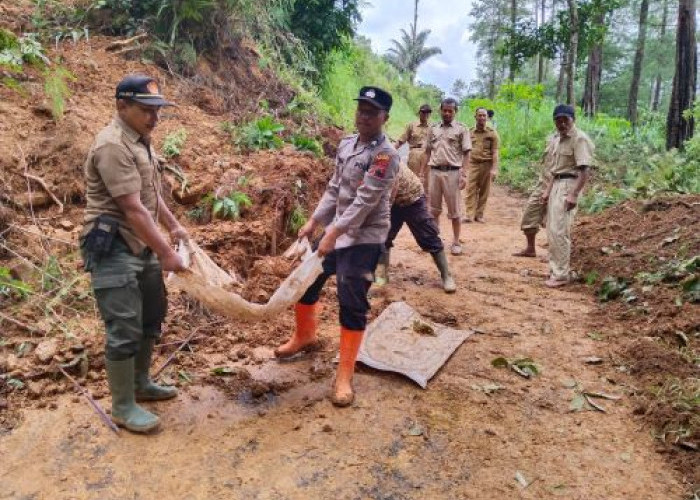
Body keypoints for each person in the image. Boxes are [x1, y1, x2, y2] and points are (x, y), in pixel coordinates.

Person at [274, 86, 400, 407]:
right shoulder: (347, 144)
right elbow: (334, 188)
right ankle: (304, 336)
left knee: (351, 299)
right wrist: (315, 222)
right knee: (307, 280)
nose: (365, 116)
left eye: (373, 112)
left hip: (364, 237)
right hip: (335, 230)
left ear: (385, 117)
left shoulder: (385, 155)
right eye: (361, 110)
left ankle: (344, 375)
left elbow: (366, 200)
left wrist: (334, 231)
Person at [80, 74, 188, 433]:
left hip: (141, 243)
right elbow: (132, 209)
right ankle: (123, 407)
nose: (154, 118)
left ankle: (141, 383)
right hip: (113, 247)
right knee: (124, 325)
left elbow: (150, 196)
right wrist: (167, 253)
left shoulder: (141, 140)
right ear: (121, 106)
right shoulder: (111, 145)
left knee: (151, 315)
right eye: (146, 111)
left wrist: (173, 225)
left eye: (157, 111)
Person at [374, 162, 456, 293]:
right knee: (382, 238)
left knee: (428, 236)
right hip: (393, 202)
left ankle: (447, 276)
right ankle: (381, 277)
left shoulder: (385, 157)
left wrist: (384, 212)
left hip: (412, 198)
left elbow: (392, 187)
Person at [540, 104, 594, 288]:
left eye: (566, 120)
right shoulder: (557, 139)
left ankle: (561, 274)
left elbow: (584, 170)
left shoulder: (579, 139)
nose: (562, 123)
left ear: (573, 120)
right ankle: (555, 269)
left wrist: (573, 194)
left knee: (560, 231)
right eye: (558, 120)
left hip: (568, 185)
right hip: (557, 184)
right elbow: (555, 169)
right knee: (552, 230)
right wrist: (547, 191)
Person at [420, 98, 471, 255]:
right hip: (434, 172)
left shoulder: (462, 129)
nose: (447, 113)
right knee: (433, 209)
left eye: (451, 111)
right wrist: (422, 173)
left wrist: (464, 174)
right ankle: (436, 239)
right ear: (440, 111)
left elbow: (467, 152)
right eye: (445, 110)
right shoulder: (433, 129)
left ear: (455, 112)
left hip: (453, 173)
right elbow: (427, 151)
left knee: (455, 211)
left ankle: (456, 242)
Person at [513, 136, 556, 259]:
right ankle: (530, 248)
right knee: (529, 214)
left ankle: (554, 255)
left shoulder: (573, 140)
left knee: (554, 222)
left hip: (559, 186)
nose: (560, 123)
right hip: (543, 184)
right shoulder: (551, 138)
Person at [464, 108, 500, 223]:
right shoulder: (469, 132)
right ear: (475, 117)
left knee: (484, 191)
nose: (482, 118)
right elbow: (464, 150)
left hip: (487, 164)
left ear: (487, 117)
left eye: (484, 116)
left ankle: (479, 215)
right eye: (479, 115)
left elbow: (495, 152)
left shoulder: (492, 133)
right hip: (473, 164)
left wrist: (494, 169)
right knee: (470, 189)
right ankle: (469, 214)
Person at [395, 104, 432, 191]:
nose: (425, 114)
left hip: (428, 156)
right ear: (419, 113)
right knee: (413, 180)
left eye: (428, 113)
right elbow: (401, 140)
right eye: (423, 112)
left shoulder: (433, 127)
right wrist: (392, 150)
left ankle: (425, 202)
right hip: (414, 154)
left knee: (427, 182)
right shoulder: (411, 125)